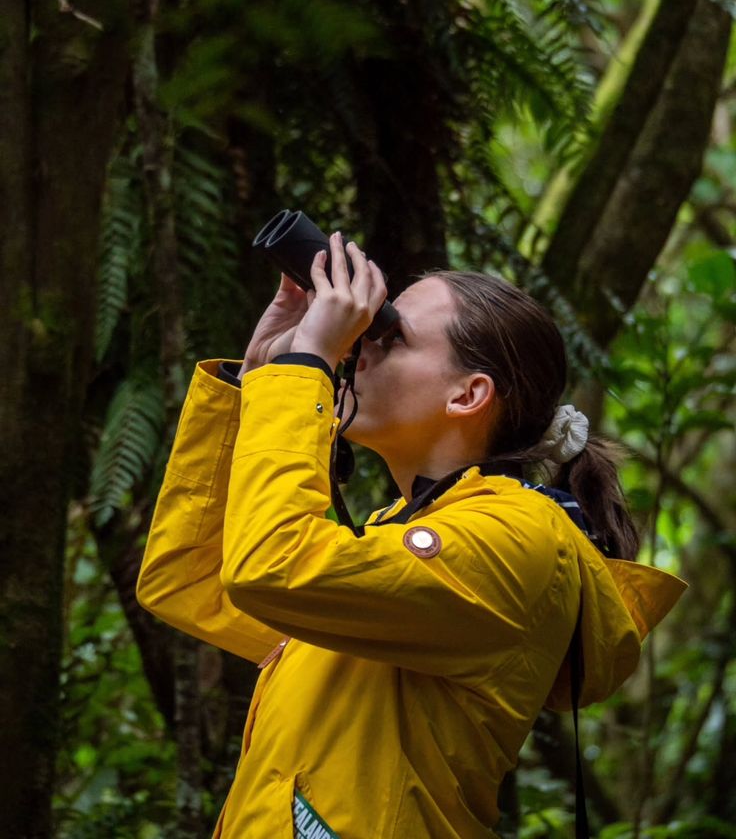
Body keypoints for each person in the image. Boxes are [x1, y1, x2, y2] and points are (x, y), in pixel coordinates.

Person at [137, 233, 686, 838]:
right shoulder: (394, 535)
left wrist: (307, 369)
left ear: (469, 395)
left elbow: (270, 567)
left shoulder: (518, 540)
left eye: (389, 335)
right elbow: (193, 579)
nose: (358, 350)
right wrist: (263, 375)